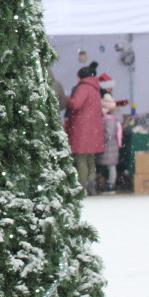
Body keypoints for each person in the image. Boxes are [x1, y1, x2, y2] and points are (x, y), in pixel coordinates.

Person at [66, 61, 104, 196]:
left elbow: (76, 104)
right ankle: (92, 182)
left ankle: (83, 185)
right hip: (94, 130)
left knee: (81, 159)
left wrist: (66, 99)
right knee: (91, 158)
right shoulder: (95, 89)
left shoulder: (83, 88)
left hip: (83, 129)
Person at [96, 93, 122, 193]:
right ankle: (110, 183)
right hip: (112, 146)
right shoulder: (113, 118)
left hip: (109, 146)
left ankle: (111, 184)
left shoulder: (109, 120)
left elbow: (109, 134)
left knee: (111, 166)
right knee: (111, 165)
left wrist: (101, 138)